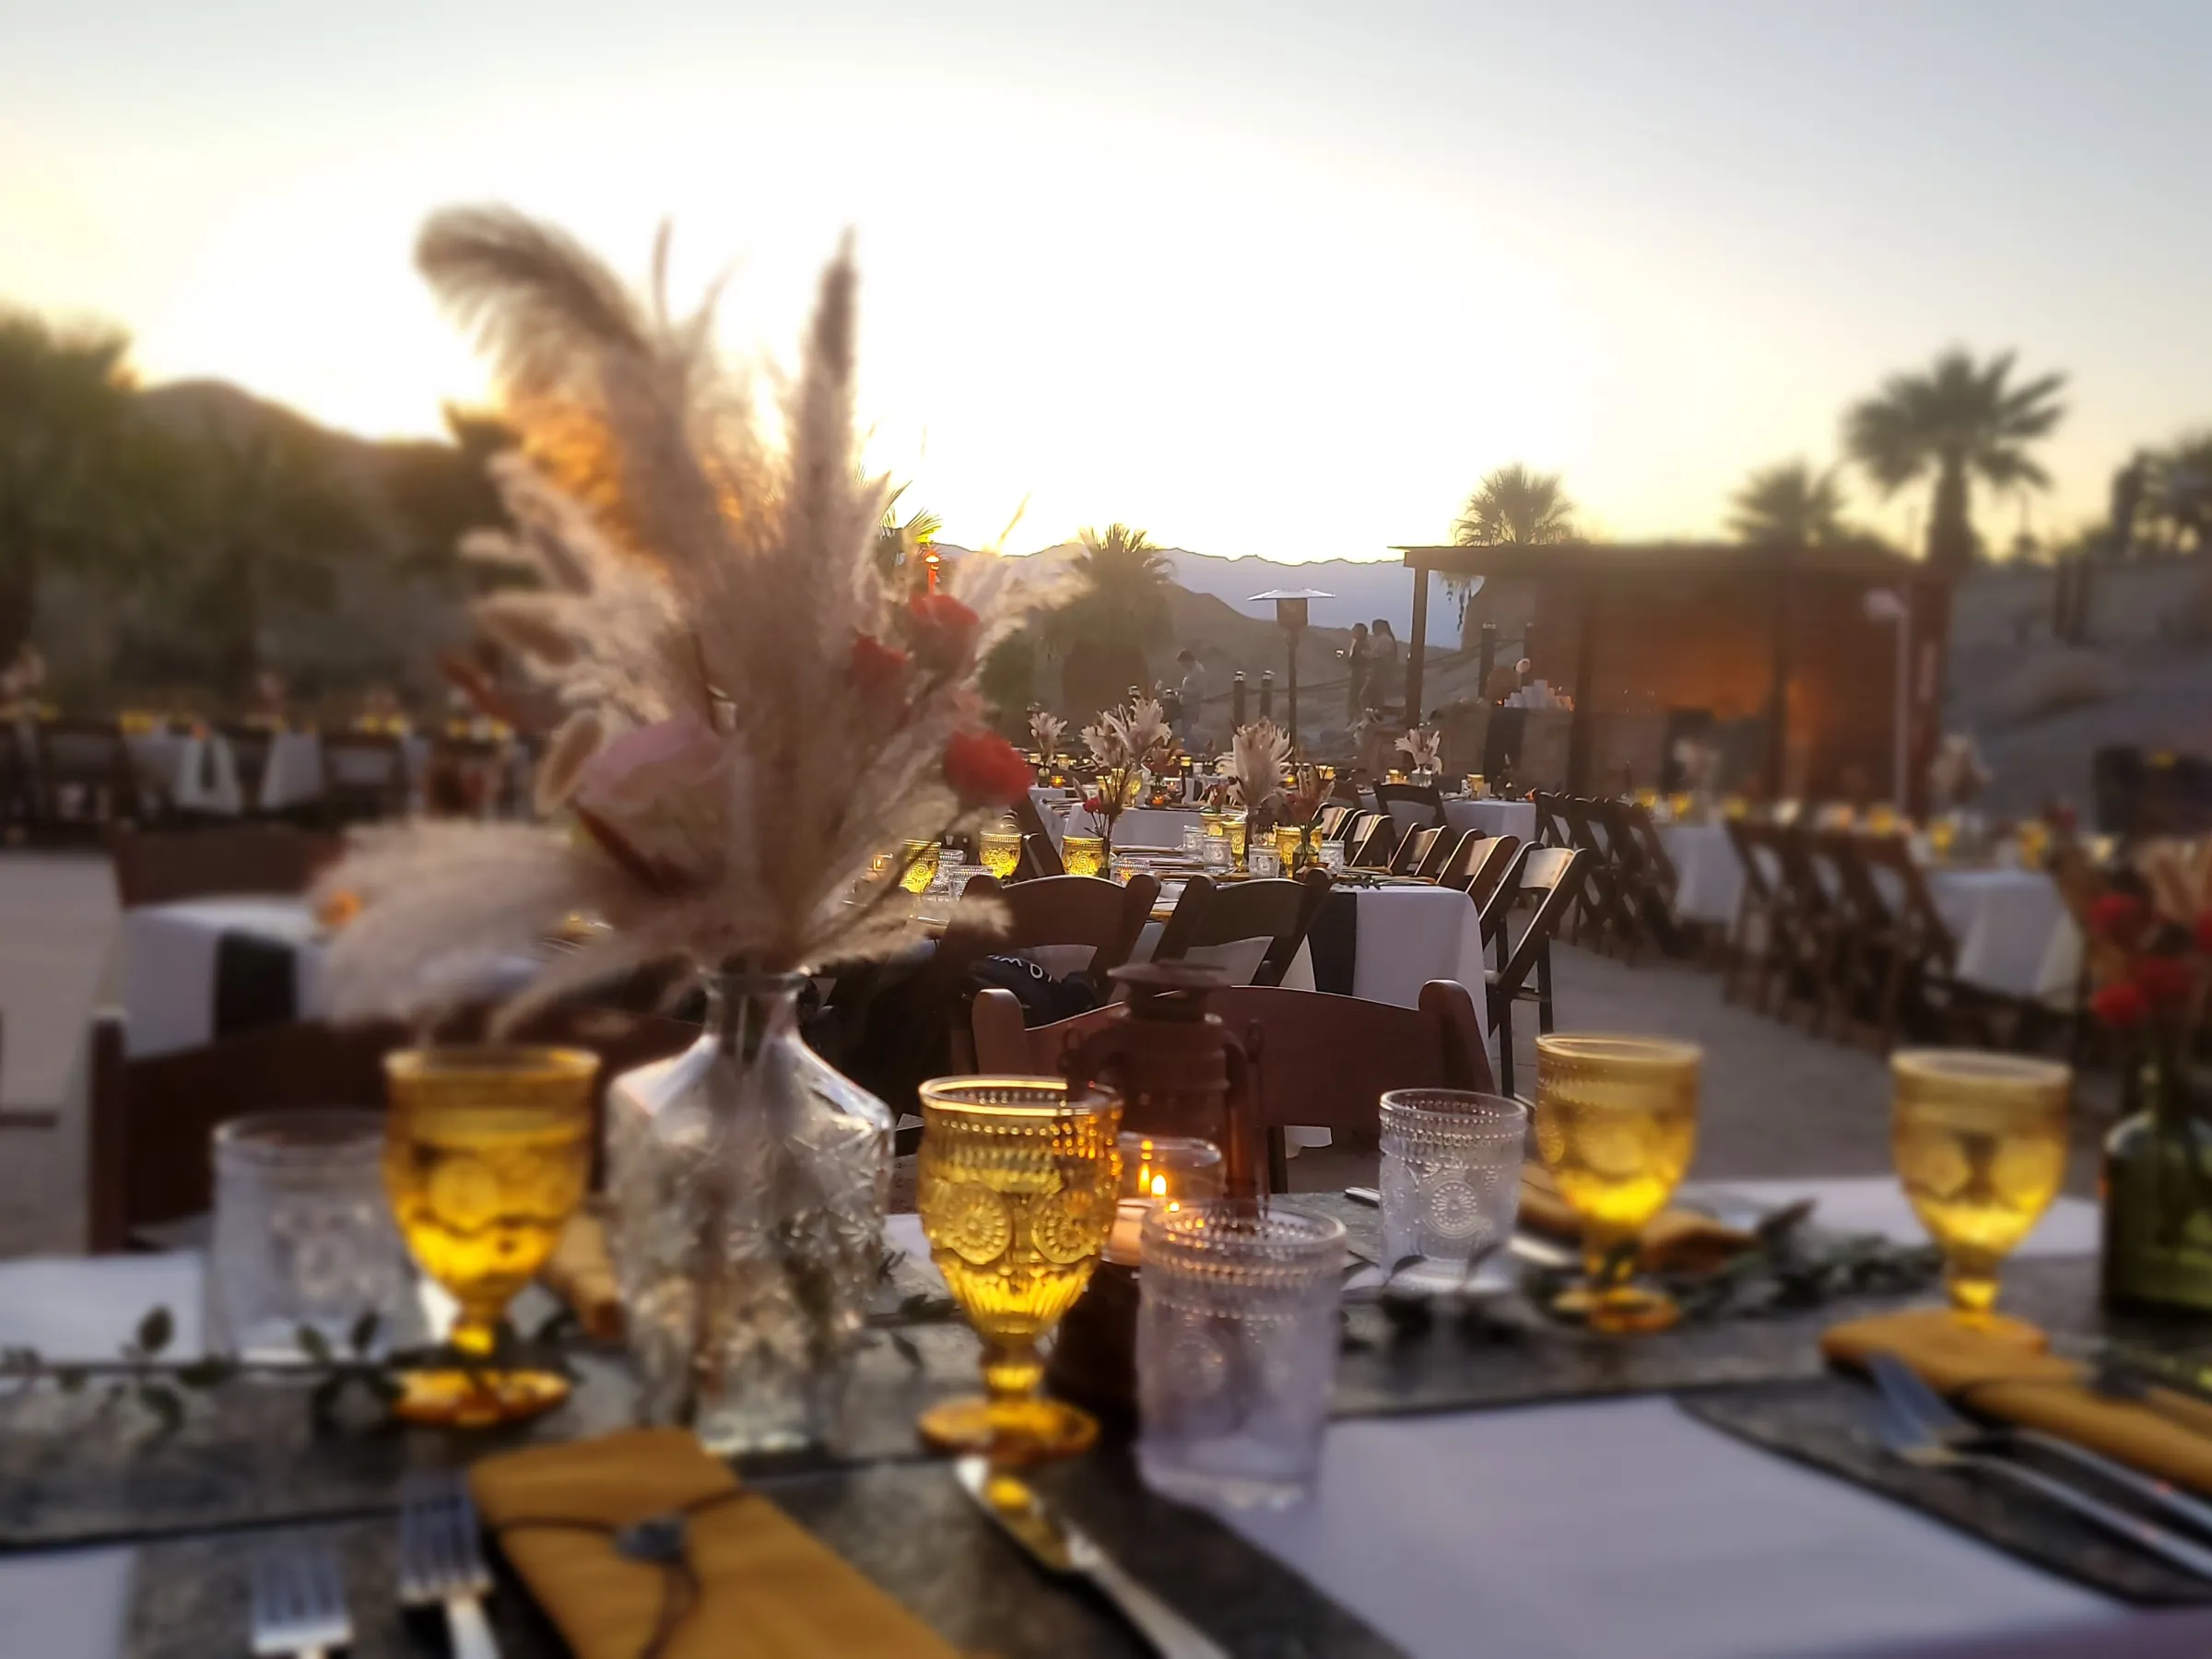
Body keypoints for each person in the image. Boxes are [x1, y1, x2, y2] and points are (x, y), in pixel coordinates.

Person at [1367, 619, 1402, 717]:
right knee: (1375, 697)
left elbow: (1383, 656)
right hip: (1381, 672)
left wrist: (1369, 656)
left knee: (1367, 696)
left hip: (1380, 672)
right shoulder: (1386, 639)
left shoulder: (1385, 639)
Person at [1175, 649, 1208, 743]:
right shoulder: (1192, 671)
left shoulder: (1198, 672)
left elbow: (1198, 690)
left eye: (1183, 663)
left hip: (1192, 706)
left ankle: (1200, 749)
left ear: (1188, 661)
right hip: (1186, 705)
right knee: (1185, 731)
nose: (1182, 666)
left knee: (1188, 731)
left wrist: (1182, 691)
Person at [1341, 622, 1371, 719]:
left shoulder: (1362, 644)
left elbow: (1363, 659)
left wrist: (1349, 659)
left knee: (1355, 700)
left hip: (1359, 674)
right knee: (1354, 700)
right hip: (1357, 673)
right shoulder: (1357, 643)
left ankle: (1355, 721)